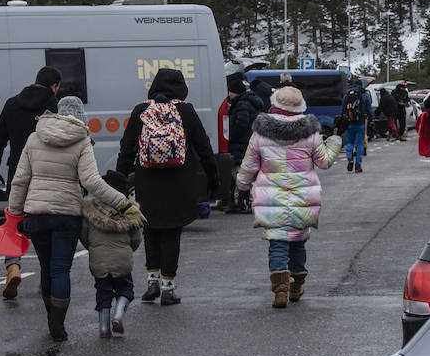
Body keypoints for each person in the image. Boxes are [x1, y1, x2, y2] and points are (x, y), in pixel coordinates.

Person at [7, 96, 131, 342]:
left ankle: (51, 318)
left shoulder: (35, 137)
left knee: (45, 267)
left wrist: (14, 212)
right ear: (81, 115)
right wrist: (122, 203)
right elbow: (91, 182)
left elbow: (20, 179)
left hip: (37, 214)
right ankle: (58, 324)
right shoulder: (82, 139)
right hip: (67, 215)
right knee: (61, 269)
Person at [115, 68, 219, 306]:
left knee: (150, 228)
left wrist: (121, 180)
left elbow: (127, 147)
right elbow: (204, 147)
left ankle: (151, 281)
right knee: (172, 231)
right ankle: (168, 287)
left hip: (147, 179)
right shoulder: (186, 111)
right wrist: (214, 179)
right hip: (179, 180)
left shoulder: (141, 111)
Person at [235, 87, 343, 308]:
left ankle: (280, 290)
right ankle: (296, 286)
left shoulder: (260, 133)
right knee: (298, 243)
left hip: (271, 197)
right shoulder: (311, 133)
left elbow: (249, 166)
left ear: (274, 103)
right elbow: (324, 162)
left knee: (277, 243)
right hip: (303, 196)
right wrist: (334, 142)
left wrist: (242, 186)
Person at [0, 66, 60, 299]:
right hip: (45, 173)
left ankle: (13, 267)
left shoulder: (12, 104)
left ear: (34, 80)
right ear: (54, 87)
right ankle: (45, 279)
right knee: (44, 226)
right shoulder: (53, 106)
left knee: (14, 222)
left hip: (17, 173)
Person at [80, 175, 145, 338]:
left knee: (103, 294)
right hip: (122, 260)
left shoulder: (90, 211)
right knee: (125, 290)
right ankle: (118, 316)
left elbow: (84, 236)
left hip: (99, 261)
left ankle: (103, 328)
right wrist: (128, 250)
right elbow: (136, 239)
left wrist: (94, 249)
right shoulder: (130, 212)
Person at [225, 75, 264, 213]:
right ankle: (241, 202)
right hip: (249, 142)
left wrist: (230, 135)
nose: (228, 94)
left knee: (240, 173)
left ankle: (250, 202)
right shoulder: (248, 102)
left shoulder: (242, 104)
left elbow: (241, 123)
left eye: (229, 91)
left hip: (241, 143)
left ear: (234, 91)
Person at [341, 80, 370, 172]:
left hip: (350, 123)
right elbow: (369, 111)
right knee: (359, 145)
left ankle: (350, 158)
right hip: (361, 123)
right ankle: (358, 165)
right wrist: (371, 121)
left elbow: (343, 110)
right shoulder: (364, 96)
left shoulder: (347, 96)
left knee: (349, 143)